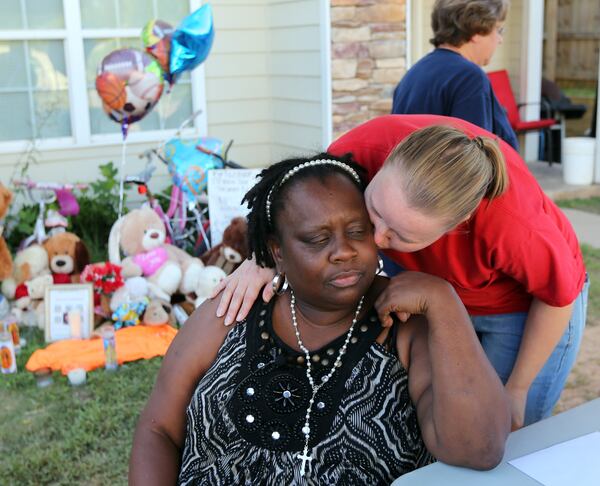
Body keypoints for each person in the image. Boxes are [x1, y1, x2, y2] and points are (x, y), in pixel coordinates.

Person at [130, 154, 510, 484]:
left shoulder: (405, 326)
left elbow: (479, 448)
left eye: (358, 231)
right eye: (316, 239)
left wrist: (445, 303)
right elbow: (158, 429)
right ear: (276, 252)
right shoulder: (233, 310)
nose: (343, 252)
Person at [211, 115, 589, 430]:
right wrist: (261, 258)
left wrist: (518, 389)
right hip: (441, 292)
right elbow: (297, 200)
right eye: (374, 208)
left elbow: (558, 298)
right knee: (438, 416)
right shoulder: (363, 148)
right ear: (386, 160)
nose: (376, 238)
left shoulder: (515, 225)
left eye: (399, 234)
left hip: (523, 309)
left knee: (505, 431)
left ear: (457, 225)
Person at [391, 0, 518, 150]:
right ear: (477, 30)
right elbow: (472, 158)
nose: (500, 40)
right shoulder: (469, 78)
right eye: (498, 29)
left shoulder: (414, 73)